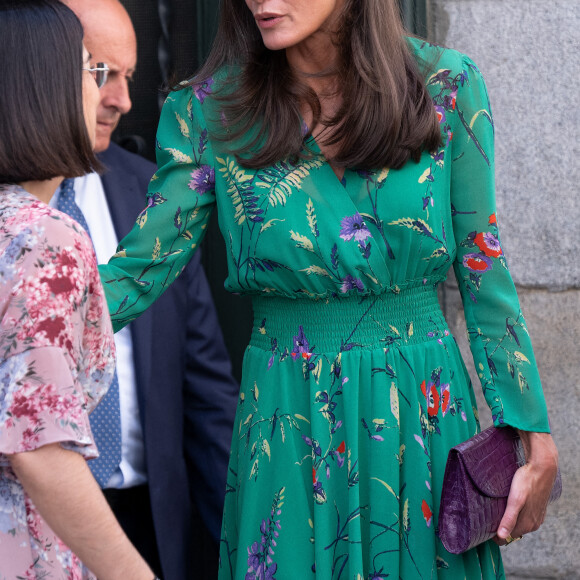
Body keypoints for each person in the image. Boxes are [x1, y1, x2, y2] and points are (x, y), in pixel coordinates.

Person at [99, 0, 560, 578]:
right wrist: (28, 326)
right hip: (286, 417)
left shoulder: (446, 86)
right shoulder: (208, 109)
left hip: (420, 411)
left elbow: (483, 266)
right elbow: (139, 267)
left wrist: (528, 426)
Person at [53, 1, 239, 578]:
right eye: (104, 73)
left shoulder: (152, 199)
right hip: (34, 528)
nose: (124, 102)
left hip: (153, 527)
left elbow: (206, 392)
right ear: (42, 68)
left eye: (132, 77)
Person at [0, 1, 154, 578]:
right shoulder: (42, 236)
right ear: (43, 89)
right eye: (94, 71)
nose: (115, 98)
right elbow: (38, 446)